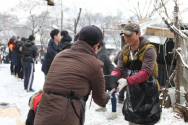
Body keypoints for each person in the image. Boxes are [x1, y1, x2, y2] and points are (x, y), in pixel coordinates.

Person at [34, 25, 111, 125]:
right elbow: (100, 100)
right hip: (65, 119)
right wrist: (109, 94)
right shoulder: (95, 64)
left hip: (42, 116)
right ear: (96, 46)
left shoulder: (60, 56)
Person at [111, 23, 160, 125]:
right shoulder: (125, 51)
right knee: (133, 121)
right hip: (133, 93)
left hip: (148, 93)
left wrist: (127, 81)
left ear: (138, 34)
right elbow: (119, 69)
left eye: (130, 35)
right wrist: (112, 80)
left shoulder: (149, 50)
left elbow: (145, 73)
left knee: (146, 121)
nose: (127, 38)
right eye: (125, 35)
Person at [95, 41, 117, 120]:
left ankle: (114, 112)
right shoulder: (101, 52)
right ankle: (103, 106)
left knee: (112, 93)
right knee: (104, 91)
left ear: (98, 46)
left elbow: (97, 66)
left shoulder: (102, 54)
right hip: (106, 74)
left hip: (110, 75)